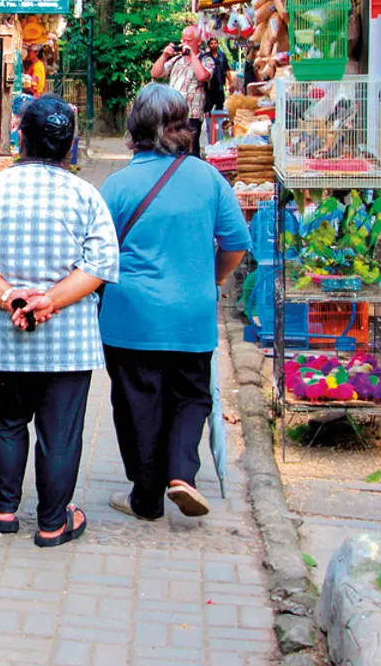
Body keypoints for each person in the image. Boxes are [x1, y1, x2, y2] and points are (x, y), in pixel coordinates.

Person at [0, 95, 119, 547]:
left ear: (20, 137)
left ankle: (4, 509)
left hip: (7, 339)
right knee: (59, 434)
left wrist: (11, 296)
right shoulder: (87, 196)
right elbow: (101, 264)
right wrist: (52, 300)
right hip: (69, 343)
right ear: (70, 145)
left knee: (5, 420)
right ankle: (52, 522)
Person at [99, 84, 249, 521]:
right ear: (183, 126)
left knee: (136, 404)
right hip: (192, 313)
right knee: (191, 396)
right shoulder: (208, 178)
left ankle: (145, 499)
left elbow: (97, 254)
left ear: (134, 129)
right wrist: (210, 279)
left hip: (130, 317)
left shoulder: (118, 185)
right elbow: (237, 243)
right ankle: (182, 473)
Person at [149, 25, 215, 156]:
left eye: (189, 41)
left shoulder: (206, 59)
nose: (185, 44)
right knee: (171, 149)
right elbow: (155, 73)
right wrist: (165, 55)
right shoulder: (177, 60)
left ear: (198, 42)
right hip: (172, 113)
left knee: (190, 151)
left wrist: (191, 55)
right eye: (183, 40)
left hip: (192, 115)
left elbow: (203, 76)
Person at [205, 36, 231, 114]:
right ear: (209, 45)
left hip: (220, 85)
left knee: (220, 105)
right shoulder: (205, 56)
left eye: (215, 43)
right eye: (211, 43)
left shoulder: (222, 56)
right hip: (209, 87)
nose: (213, 45)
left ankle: (218, 124)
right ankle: (208, 122)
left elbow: (226, 70)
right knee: (208, 106)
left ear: (218, 44)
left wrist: (231, 82)